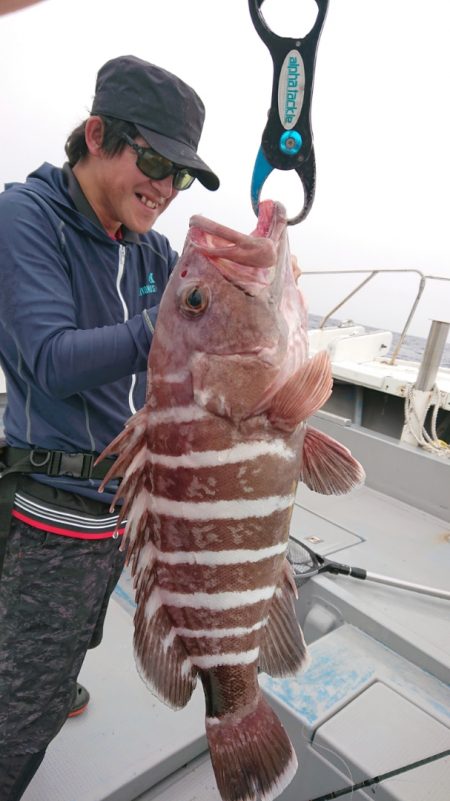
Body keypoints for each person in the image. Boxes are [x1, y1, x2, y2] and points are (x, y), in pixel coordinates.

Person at [0, 54, 219, 801]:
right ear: (96, 134)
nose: (163, 187)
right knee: (16, 718)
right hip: (50, 516)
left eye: (179, 174)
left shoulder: (154, 251)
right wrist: (171, 319)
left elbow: (190, 356)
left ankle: (55, 675)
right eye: (153, 159)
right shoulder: (25, 217)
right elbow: (53, 359)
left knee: (75, 641)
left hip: (126, 514)